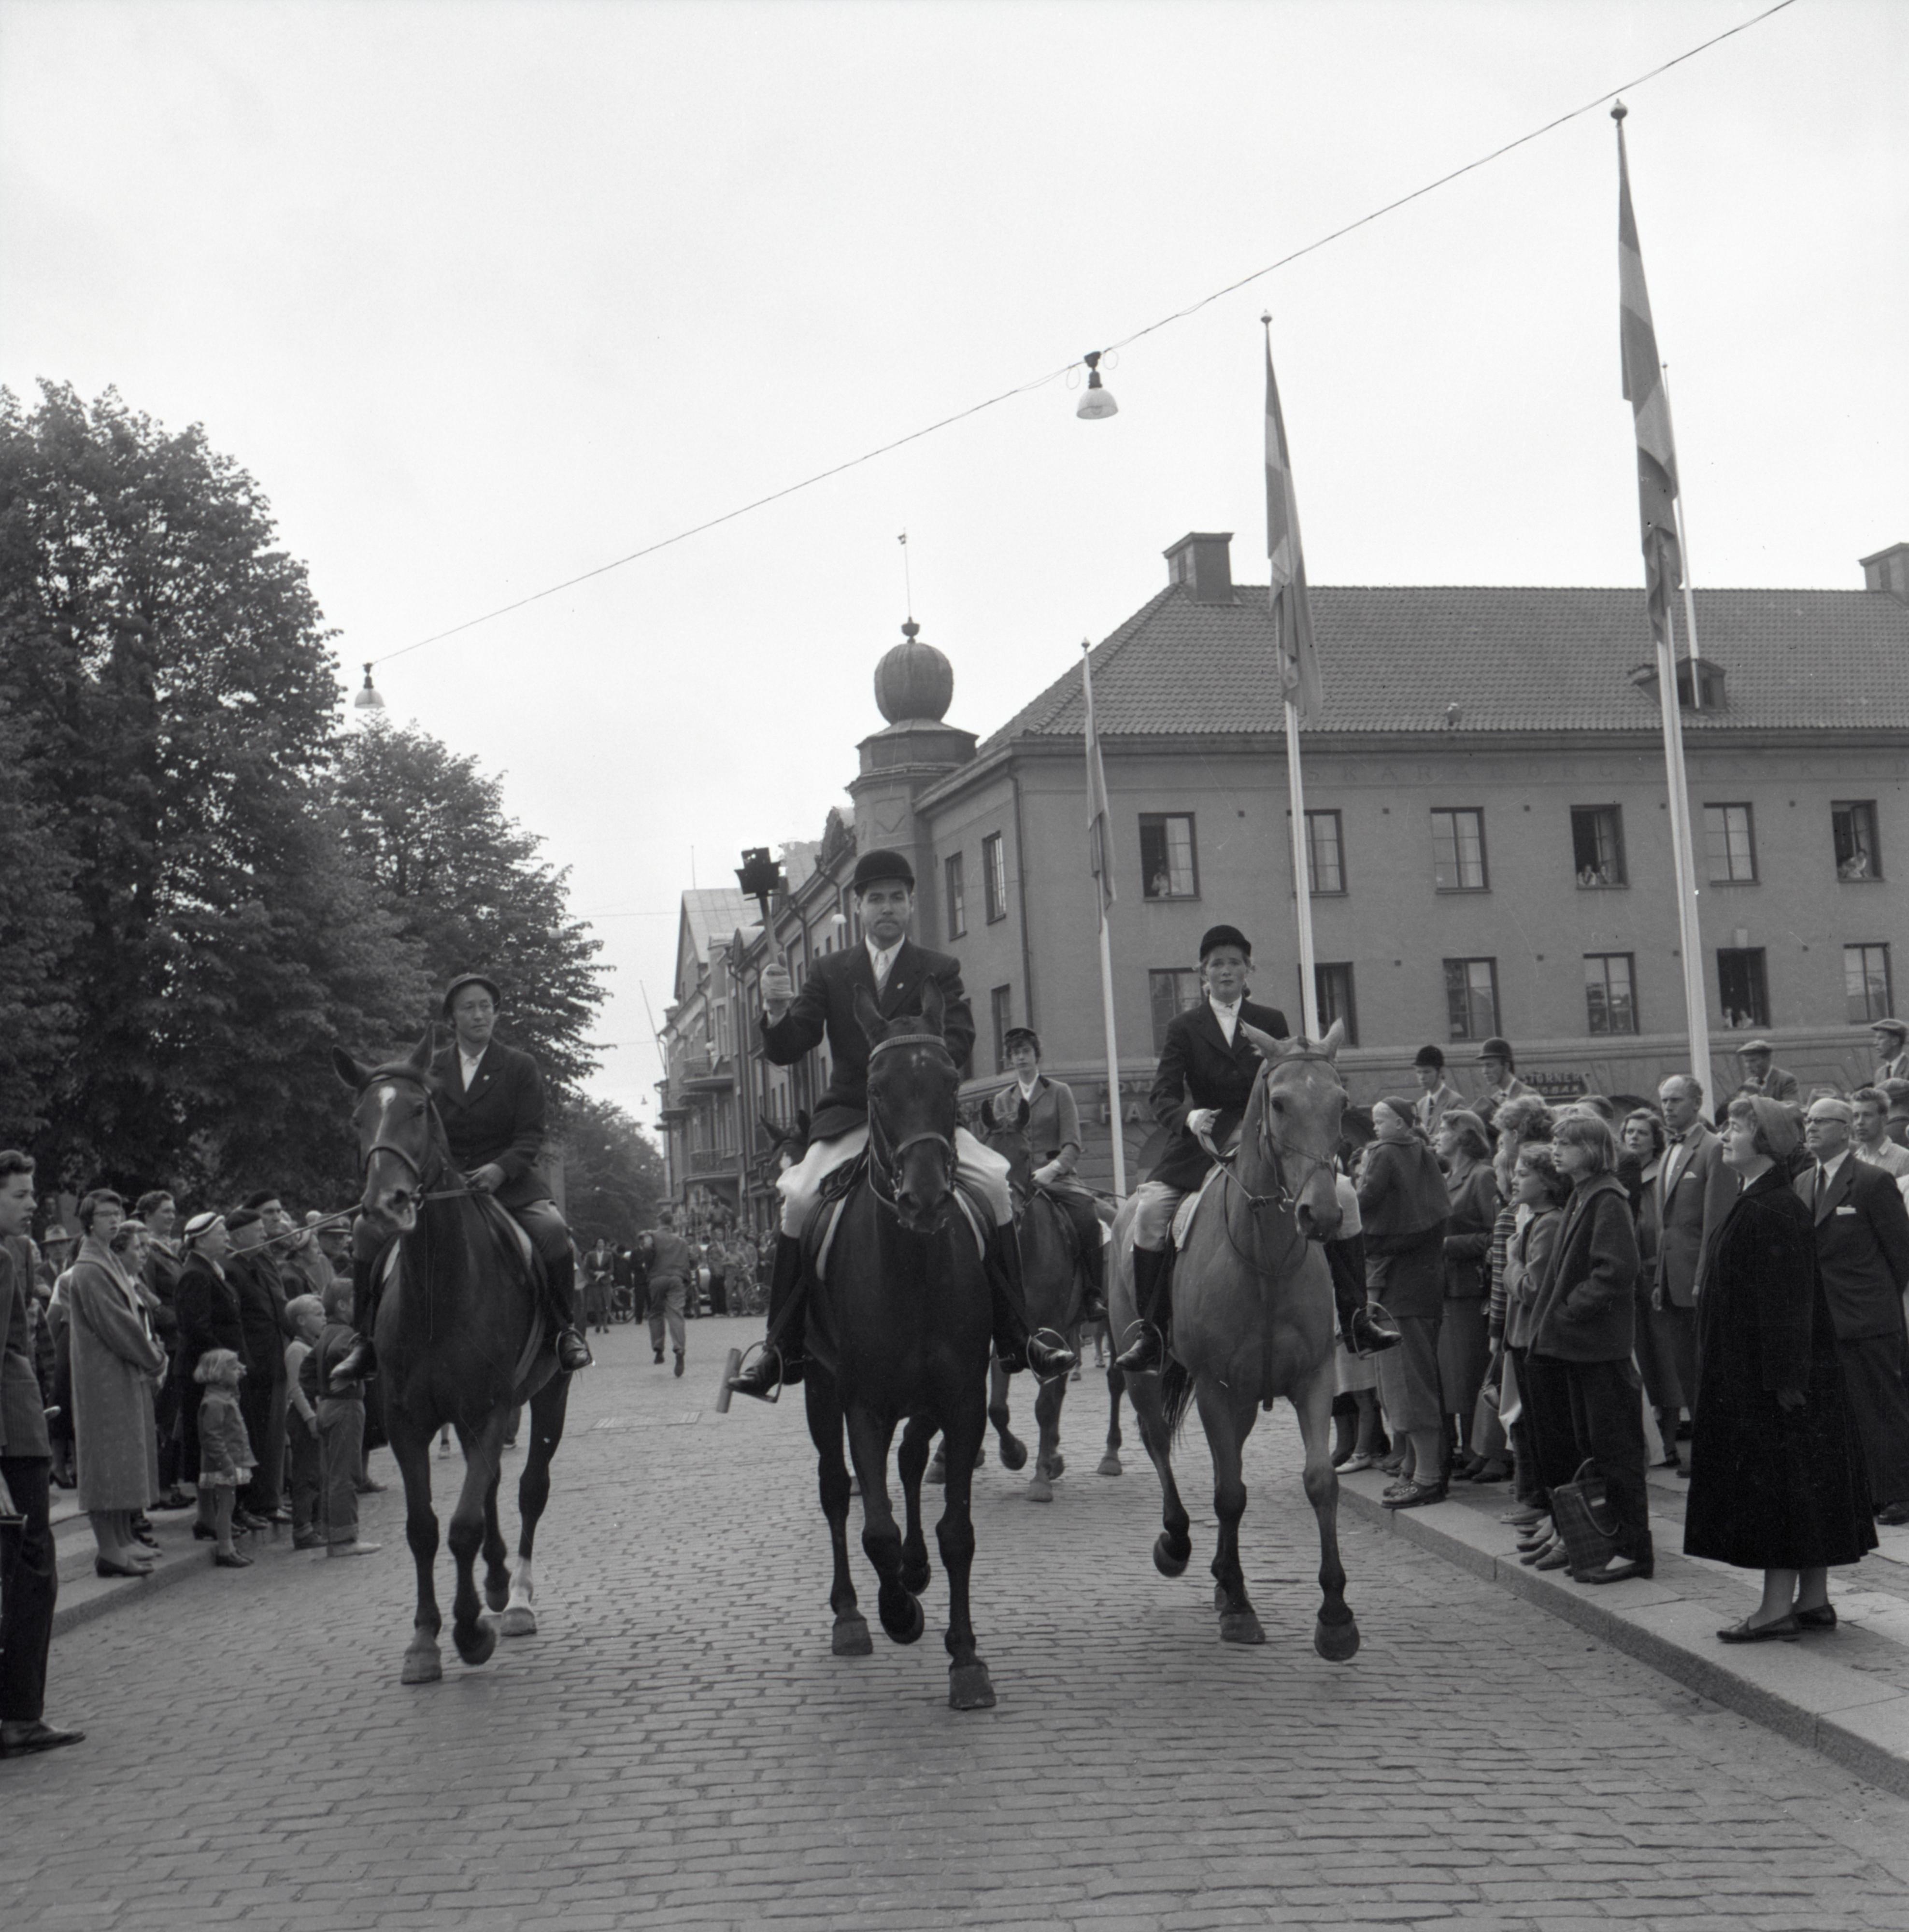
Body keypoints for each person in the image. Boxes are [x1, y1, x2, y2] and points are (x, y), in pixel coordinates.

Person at [727, 849, 1071, 1400]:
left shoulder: (940, 968)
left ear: (911, 904)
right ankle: (779, 1345)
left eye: (896, 897)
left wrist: (913, 1054)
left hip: (922, 1121)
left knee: (996, 1188)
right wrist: (775, 1013)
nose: (886, 908)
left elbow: (959, 1039)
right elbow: (794, 1044)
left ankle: (1018, 1335)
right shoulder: (830, 971)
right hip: (850, 1118)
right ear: (858, 907)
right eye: (875, 899)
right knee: (797, 1201)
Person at [333, 975, 592, 1382]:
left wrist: (499, 1169)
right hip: (442, 1186)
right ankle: (365, 1339)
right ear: (452, 1018)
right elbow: (411, 1126)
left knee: (554, 1230)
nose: (479, 1015)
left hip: (510, 1184)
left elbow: (530, 1136)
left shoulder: (520, 1066)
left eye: (486, 1006)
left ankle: (564, 1331)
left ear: (496, 1013)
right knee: (366, 1230)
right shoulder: (427, 1068)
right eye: (468, 1008)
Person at [1685, 1097, 1876, 1639]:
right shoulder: (1765, 1201)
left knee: (1779, 1488)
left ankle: (1774, 1608)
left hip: (1771, 1381)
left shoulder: (1769, 1207)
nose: (1725, 1135)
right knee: (1801, 1483)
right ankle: (1812, 1598)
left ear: (1764, 1140)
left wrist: (1786, 1383)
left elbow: (1785, 1305)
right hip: (1776, 1375)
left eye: (1737, 1128)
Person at [1113, 925, 1291, 1376]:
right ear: (1202, 974)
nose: (1225, 970)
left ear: (1248, 969)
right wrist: (1189, 1119)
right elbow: (1163, 1095)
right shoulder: (1184, 1028)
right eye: (1216, 964)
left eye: (1234, 962)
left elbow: (1286, 1081)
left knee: (1342, 1196)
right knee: (1151, 1213)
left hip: (1263, 1142)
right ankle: (1151, 1334)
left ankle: (1353, 1318)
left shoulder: (1272, 1021)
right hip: (1201, 1144)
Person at [1522, 1112, 1653, 1585]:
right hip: (1578, 1348)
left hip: (1599, 1348)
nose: (1556, 1149)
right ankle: (1604, 1540)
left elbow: (1617, 1269)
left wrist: (1569, 1311)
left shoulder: (1607, 1197)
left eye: (1567, 1142)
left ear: (1593, 1150)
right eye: (1555, 1141)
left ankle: (1633, 1549)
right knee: (1591, 1449)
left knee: (1615, 1451)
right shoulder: (1583, 1193)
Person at [0, 1151, 84, 1760]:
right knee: (32, 1573)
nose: (33, 1203)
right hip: (11, 1438)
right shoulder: (3, 1258)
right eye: (22, 1194)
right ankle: (20, 1715)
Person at [1796, 1097, 1909, 1528]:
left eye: (1820, 1121)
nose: (1811, 1128)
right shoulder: (1805, 1181)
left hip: (1866, 1315)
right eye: (1807, 1121)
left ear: (1845, 1129)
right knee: (1842, 1410)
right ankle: (1864, 1489)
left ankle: (1898, 1492)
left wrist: (1872, 1298)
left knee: (1881, 1406)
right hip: (1822, 1317)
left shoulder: (1872, 1181)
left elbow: (1901, 1254)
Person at [66, 1189, 167, 1578]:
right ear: (89, 1222)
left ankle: (122, 1540)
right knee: (106, 1463)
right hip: (102, 1381)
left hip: (118, 1376)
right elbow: (119, 1325)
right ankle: (109, 1549)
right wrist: (154, 1357)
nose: (113, 1219)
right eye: (105, 1214)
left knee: (122, 1460)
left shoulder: (106, 1259)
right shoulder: (90, 1268)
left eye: (117, 1212)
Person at [1359, 1096, 1452, 1508]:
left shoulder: (1384, 1153)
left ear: (1399, 1123)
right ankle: (1415, 1470)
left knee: (1407, 1385)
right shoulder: (1423, 1154)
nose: (1376, 1129)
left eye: (1381, 1121)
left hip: (1398, 1288)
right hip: (1424, 1284)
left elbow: (1368, 1197)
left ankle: (1428, 1476)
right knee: (1412, 1381)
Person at [991, 1026, 1108, 1321]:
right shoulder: (1002, 1100)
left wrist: (1052, 1169)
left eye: (1026, 1052)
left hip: (1056, 1178)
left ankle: (1093, 1293)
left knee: (1087, 1216)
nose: (1021, 1058)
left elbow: (1073, 1144)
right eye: (1015, 1054)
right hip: (1015, 1182)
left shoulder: (1059, 1092)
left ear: (1036, 1055)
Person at [1650, 1074, 1732, 1475]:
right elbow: (1666, 1225)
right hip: (1670, 1279)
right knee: (1684, 1368)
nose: (1668, 1107)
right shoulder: (1669, 1150)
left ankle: (1713, 1450)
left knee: (1704, 1369)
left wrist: (1704, 1278)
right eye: (1664, 1101)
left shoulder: (1712, 1149)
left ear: (1697, 1102)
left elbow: (1714, 1223)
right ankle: (1704, 1446)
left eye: (1676, 1100)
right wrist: (1658, 1280)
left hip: (1696, 1280)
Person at [173, 1211, 245, 1547]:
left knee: (215, 1443)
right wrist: (226, 1362)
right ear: (201, 1239)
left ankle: (213, 1518)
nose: (227, 1238)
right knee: (208, 1443)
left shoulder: (208, 1270)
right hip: (205, 1374)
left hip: (217, 1371)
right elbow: (197, 1328)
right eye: (221, 1233)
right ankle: (207, 1518)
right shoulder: (195, 1275)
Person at [1435, 1110, 1499, 1481]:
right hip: (1448, 1287)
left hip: (1470, 1286)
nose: (1438, 1135)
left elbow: (1496, 1234)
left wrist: (1449, 1245)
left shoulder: (1482, 1175)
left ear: (1463, 1136)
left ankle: (1484, 1450)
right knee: (1455, 1376)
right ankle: (1472, 1449)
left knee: (1472, 1373)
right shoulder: (1448, 1178)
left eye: (1445, 1129)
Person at [224, 1208, 286, 1529]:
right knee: (259, 1437)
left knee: (273, 1438)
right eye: (257, 1230)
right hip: (256, 1366)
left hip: (274, 1361)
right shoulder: (232, 1269)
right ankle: (260, 1502)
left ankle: (270, 1499)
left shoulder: (257, 1263)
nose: (264, 1234)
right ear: (238, 1236)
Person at [313, 1281, 379, 1557]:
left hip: (327, 1404)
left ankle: (332, 1534)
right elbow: (338, 1353)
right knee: (345, 1474)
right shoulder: (344, 1333)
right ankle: (344, 1540)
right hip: (345, 1406)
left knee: (332, 1475)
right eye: (354, 1300)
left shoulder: (325, 1331)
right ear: (342, 1305)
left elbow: (308, 1369)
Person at [193, 1349, 254, 1567]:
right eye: (233, 1367)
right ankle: (225, 1548)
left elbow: (236, 1397)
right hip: (224, 1463)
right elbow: (212, 1437)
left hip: (230, 1460)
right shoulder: (214, 1402)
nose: (238, 1370)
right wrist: (225, 1463)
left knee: (229, 1503)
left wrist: (237, 1381)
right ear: (219, 1372)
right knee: (226, 1505)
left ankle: (228, 1547)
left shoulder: (222, 1396)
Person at [283, 1294, 326, 1550]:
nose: (324, 1319)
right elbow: (296, 1389)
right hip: (303, 1417)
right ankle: (303, 1528)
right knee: (306, 1474)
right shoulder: (296, 1350)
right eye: (318, 1315)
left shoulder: (314, 1346)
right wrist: (310, 1417)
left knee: (318, 1472)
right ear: (301, 1321)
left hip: (316, 1413)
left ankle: (316, 1524)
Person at [644, 1214, 691, 1375]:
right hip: (677, 1278)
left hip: (657, 1278)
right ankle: (679, 1349)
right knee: (676, 1315)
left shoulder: (653, 1236)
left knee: (656, 1313)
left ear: (659, 1222)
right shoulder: (682, 1242)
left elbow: (647, 1250)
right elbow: (688, 1262)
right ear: (672, 1224)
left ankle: (658, 1348)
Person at [1851, 1087, 1909, 1196]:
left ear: (1884, 1120)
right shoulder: (1854, 1160)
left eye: (1867, 1115)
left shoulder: (1904, 1158)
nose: (1860, 1122)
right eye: (1856, 1116)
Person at [1475, 1038, 1535, 1129]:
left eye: (1490, 1066)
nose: (1485, 1071)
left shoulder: (1528, 1096)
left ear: (1507, 1066)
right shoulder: (1494, 1099)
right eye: (1483, 1066)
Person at [1411, 1046, 1464, 1138]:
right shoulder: (1420, 1105)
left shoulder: (1455, 1102)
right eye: (1419, 1072)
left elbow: (1457, 1138)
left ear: (1441, 1071)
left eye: (1427, 1072)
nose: (1422, 1077)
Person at [1733, 1038, 1799, 1106]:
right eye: (1746, 1061)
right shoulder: (1749, 1083)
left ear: (1767, 1059)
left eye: (1753, 1061)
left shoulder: (1786, 1080)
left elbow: (1792, 1108)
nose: (1748, 1066)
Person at [1872, 1019, 1909, 1087]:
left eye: (1881, 1038)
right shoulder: (1880, 1074)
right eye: (1876, 1039)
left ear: (1895, 1041)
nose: (1875, 1043)